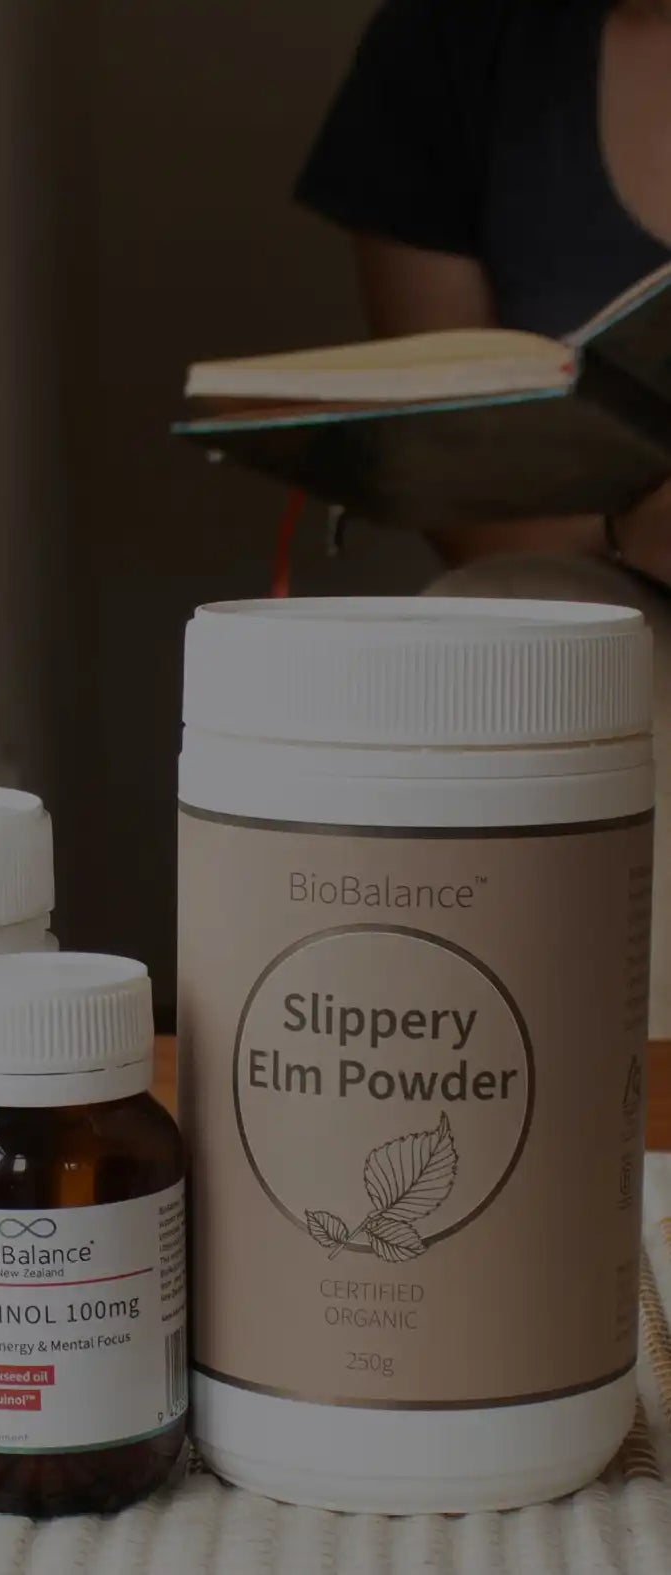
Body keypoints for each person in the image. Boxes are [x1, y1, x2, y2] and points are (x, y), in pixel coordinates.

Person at [300, 0, 671, 1030]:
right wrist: (637, 530)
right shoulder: (455, 39)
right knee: (503, 620)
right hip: (615, 580)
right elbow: (464, 473)